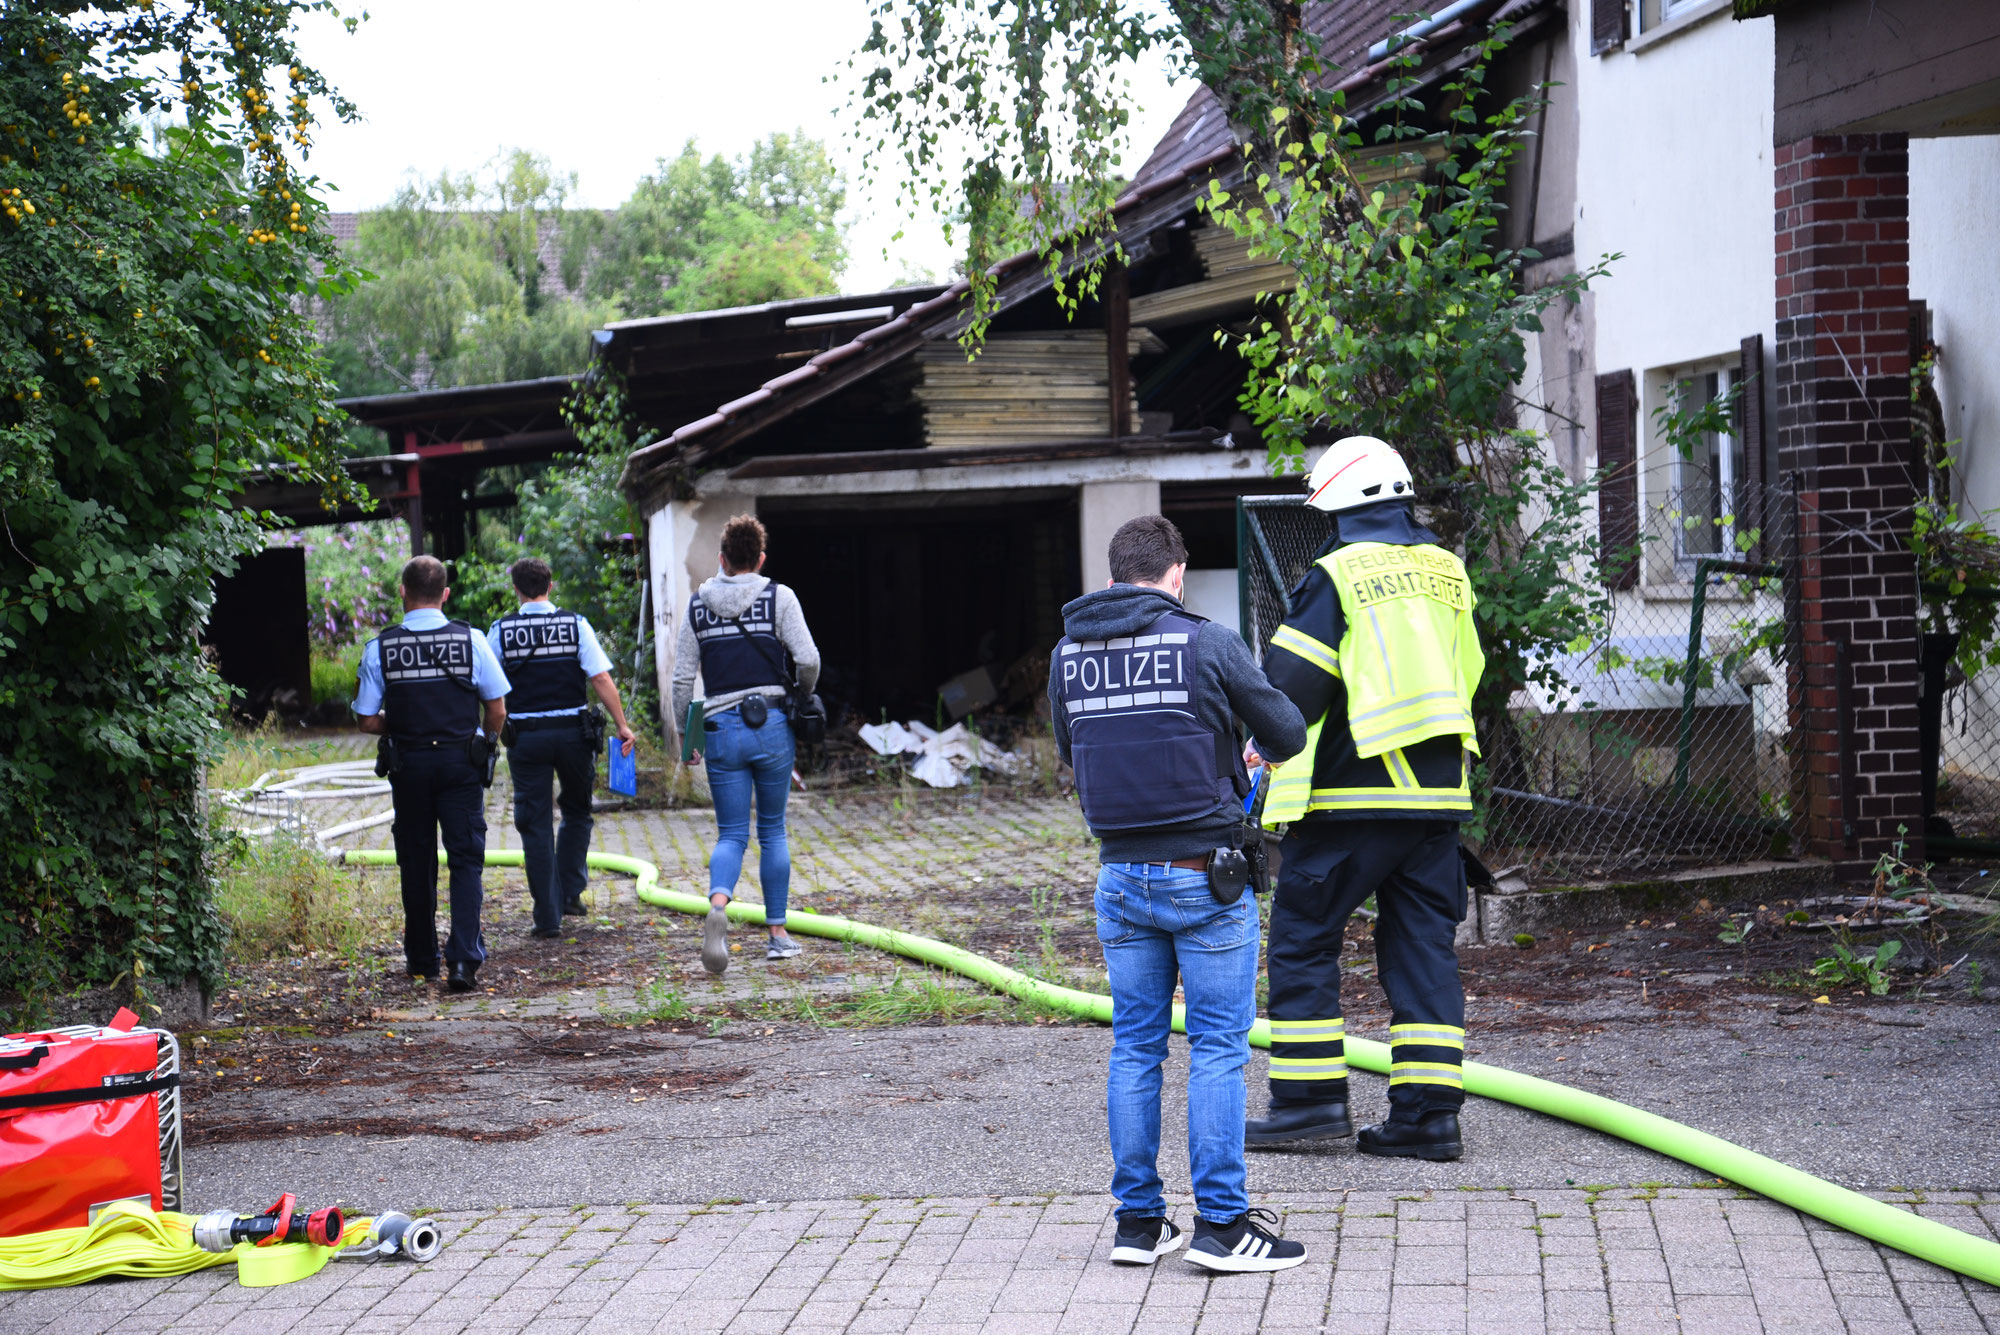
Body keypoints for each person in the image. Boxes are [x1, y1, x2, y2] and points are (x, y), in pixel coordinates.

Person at [1050, 514, 1310, 1273]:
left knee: (1134, 1047)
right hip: (1206, 876)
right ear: (1175, 575)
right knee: (1218, 1049)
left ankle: (1139, 1222)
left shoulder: (1068, 656)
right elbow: (1288, 730)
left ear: (1111, 575)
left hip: (1118, 878)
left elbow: (1072, 749)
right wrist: (1247, 749)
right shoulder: (1204, 640)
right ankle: (1224, 1227)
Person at [1245, 435, 1486, 1162]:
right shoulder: (1449, 571)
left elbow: (1293, 688)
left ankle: (1310, 1100)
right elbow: (1469, 671)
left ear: (1338, 505)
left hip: (1355, 795)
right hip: (1439, 801)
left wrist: (1257, 748)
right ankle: (1428, 1117)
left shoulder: (1338, 573)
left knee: (1302, 936)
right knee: (1421, 951)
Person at [354, 555, 512, 993]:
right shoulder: (472, 641)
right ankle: (463, 962)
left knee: (416, 860)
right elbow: (496, 707)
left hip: (410, 766)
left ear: (402, 592)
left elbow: (366, 720)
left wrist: (404, 726)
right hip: (462, 764)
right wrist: (485, 741)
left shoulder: (380, 648)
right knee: (465, 861)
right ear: (445, 594)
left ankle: (422, 959)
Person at [671, 514, 820, 974]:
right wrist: (803, 691)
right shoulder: (779, 596)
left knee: (731, 833)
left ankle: (718, 904)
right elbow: (808, 658)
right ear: (760, 559)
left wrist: (686, 738)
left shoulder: (698, 605)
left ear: (720, 559)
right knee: (772, 830)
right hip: (772, 723)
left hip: (720, 730)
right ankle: (777, 936)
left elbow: (681, 682)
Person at [487, 558, 638, 940]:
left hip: (527, 737)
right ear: (550, 586)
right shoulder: (575, 625)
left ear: (516, 589)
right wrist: (621, 725)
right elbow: (600, 677)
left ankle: (548, 915)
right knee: (576, 810)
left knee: (534, 823)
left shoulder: (501, 631)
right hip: (574, 735)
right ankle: (570, 892)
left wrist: (487, 734)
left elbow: (488, 687)